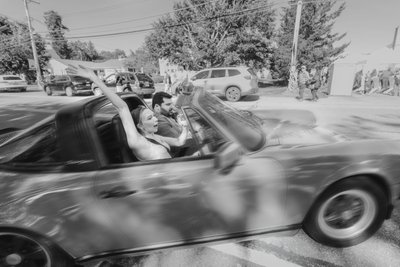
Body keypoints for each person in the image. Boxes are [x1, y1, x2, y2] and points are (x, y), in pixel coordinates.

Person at [66, 64, 189, 161]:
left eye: (153, 116)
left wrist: (185, 125)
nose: (156, 119)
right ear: (140, 125)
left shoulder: (156, 136)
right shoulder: (138, 141)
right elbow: (122, 107)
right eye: (150, 118)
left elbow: (179, 141)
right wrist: (94, 78)